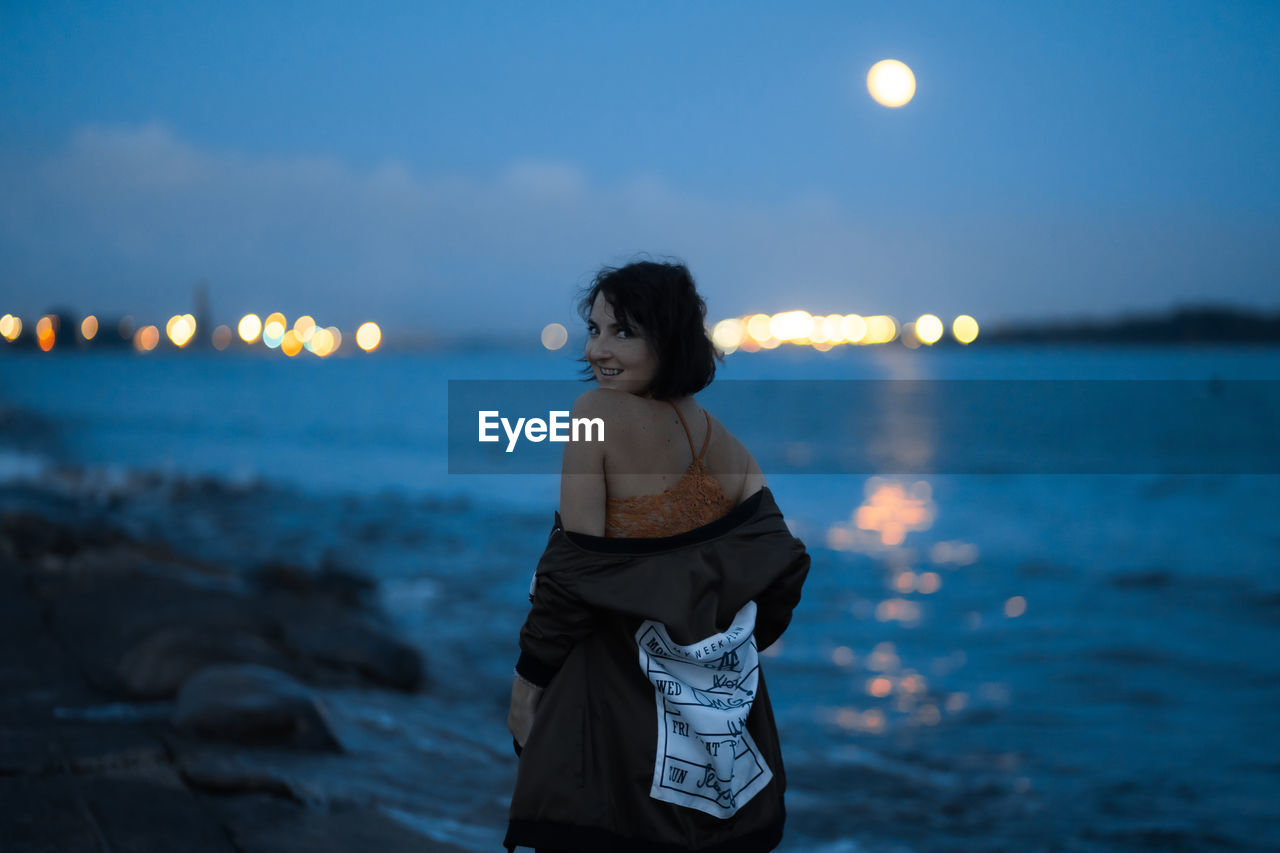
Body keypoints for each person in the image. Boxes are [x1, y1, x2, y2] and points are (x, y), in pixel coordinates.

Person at [504, 260, 810, 853]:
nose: (598, 350)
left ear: (667, 338)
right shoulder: (723, 440)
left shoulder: (593, 415)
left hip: (612, 708)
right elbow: (783, 568)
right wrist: (707, 644)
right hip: (712, 722)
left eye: (623, 331)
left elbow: (573, 575)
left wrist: (527, 683)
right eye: (594, 329)